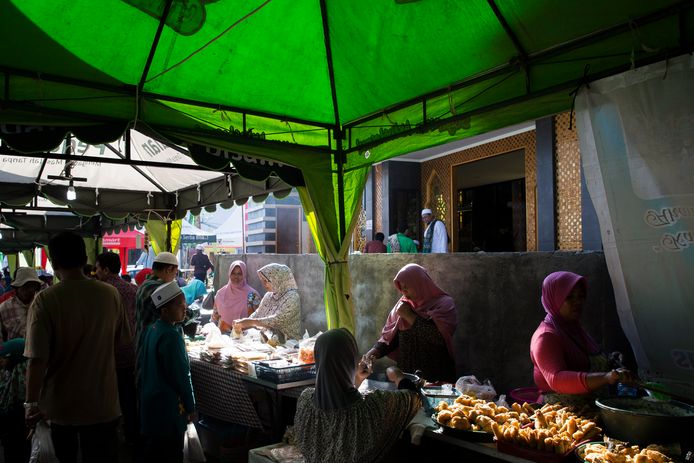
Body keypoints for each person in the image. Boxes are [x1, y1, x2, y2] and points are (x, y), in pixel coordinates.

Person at [24, 231, 131, 463]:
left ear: (53, 262)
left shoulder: (45, 299)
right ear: (84, 259)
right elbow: (121, 342)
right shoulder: (109, 294)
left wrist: (30, 404)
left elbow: (37, 359)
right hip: (104, 403)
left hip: (61, 407)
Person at [293, 329, 421, 463]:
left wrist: (357, 380)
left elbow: (337, 412)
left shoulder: (305, 403)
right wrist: (398, 376)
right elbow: (413, 398)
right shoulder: (371, 408)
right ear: (351, 360)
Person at [530, 271, 633, 406]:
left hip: (589, 411)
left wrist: (610, 363)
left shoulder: (574, 330)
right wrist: (606, 377)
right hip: (562, 417)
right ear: (554, 299)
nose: (577, 302)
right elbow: (557, 379)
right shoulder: (545, 337)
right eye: (569, 297)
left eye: (581, 296)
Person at [366, 264, 457, 382]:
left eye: (407, 286)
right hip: (407, 377)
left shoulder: (445, 304)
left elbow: (438, 338)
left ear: (420, 284)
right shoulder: (403, 305)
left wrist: (409, 316)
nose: (403, 291)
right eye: (401, 287)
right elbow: (392, 337)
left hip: (437, 377)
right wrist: (375, 351)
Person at [138, 281, 195, 463]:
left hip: (151, 403)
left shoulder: (153, 329)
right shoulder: (171, 336)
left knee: (154, 451)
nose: (184, 310)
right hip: (168, 406)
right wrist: (191, 406)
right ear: (164, 310)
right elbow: (181, 375)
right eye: (179, 306)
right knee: (170, 454)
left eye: (184, 304)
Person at [95, 251, 138, 444]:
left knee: (108, 399)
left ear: (105, 269)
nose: (96, 272)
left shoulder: (100, 291)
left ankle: (111, 438)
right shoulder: (132, 289)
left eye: (97, 268)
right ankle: (131, 435)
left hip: (108, 354)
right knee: (129, 398)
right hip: (130, 352)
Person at [232, 263, 300, 342]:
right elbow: (258, 313)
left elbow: (278, 320)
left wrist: (250, 322)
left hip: (289, 343)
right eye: (262, 281)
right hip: (270, 341)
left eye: (266, 281)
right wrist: (242, 323)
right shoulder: (269, 295)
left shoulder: (292, 297)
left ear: (277, 279)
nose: (264, 284)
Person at [134, 252, 179, 355]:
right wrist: (194, 313)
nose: (174, 277)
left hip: (143, 344)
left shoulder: (145, 284)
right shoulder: (160, 289)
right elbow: (179, 316)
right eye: (175, 273)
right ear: (169, 269)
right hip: (154, 347)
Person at [0, 338, 31, 463]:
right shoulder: (9, 377)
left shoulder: (22, 389)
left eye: (2, 358)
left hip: (18, 437)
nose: (1, 362)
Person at [213, 260, 260, 332]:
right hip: (223, 337)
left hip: (246, 338)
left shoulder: (252, 295)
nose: (236, 277)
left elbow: (259, 318)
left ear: (244, 275)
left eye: (239, 274)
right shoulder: (220, 294)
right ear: (229, 274)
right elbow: (215, 317)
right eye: (233, 273)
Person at [0, 267, 42, 342]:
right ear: (17, 287)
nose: (29, 290)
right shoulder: (4, 308)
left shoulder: (41, 305)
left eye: (32, 286)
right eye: (24, 286)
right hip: (15, 352)